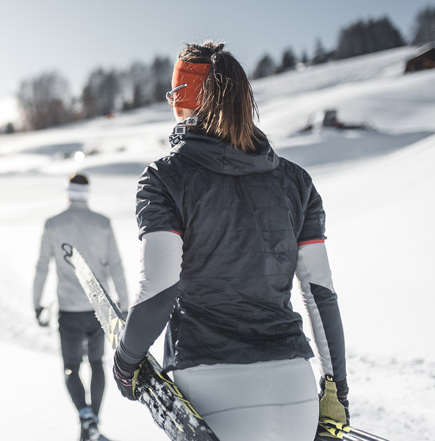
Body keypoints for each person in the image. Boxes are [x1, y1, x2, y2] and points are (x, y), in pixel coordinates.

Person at [111, 41, 350, 441]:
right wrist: (336, 389)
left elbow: (161, 287)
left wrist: (126, 360)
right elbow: (319, 293)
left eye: (174, 94)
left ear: (184, 99)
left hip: (213, 391)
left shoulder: (165, 178)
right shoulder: (296, 181)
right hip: (296, 392)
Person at [33, 173, 129, 441]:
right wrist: (124, 302)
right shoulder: (102, 223)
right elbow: (116, 265)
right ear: (87, 194)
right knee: (97, 363)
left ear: (68, 192)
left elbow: (42, 266)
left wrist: (37, 303)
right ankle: (93, 421)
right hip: (100, 310)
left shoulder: (53, 224)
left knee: (71, 367)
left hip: (69, 310)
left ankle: (86, 418)